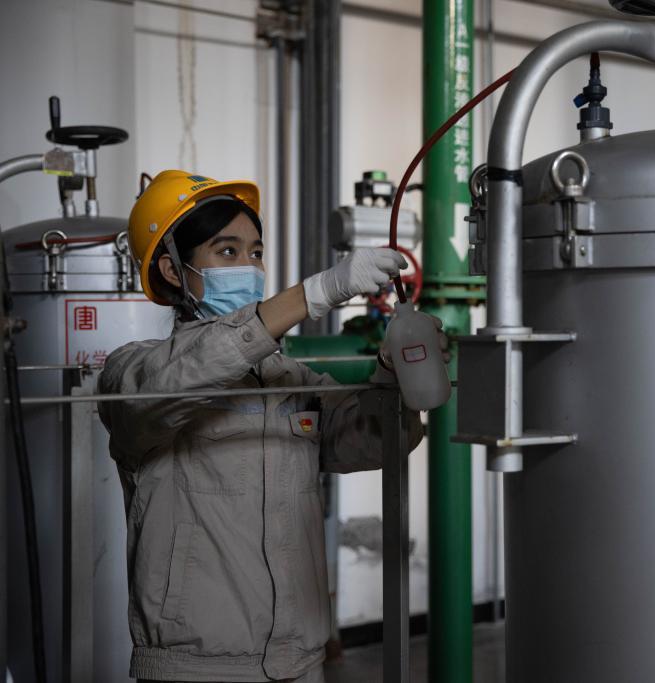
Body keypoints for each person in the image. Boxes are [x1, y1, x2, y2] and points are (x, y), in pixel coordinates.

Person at [98, 170, 442, 682]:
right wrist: (317, 292)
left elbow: (370, 443)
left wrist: (394, 372)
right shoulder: (133, 369)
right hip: (198, 668)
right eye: (227, 251)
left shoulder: (287, 377)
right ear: (173, 270)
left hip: (299, 658)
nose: (249, 267)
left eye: (256, 253)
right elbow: (193, 369)